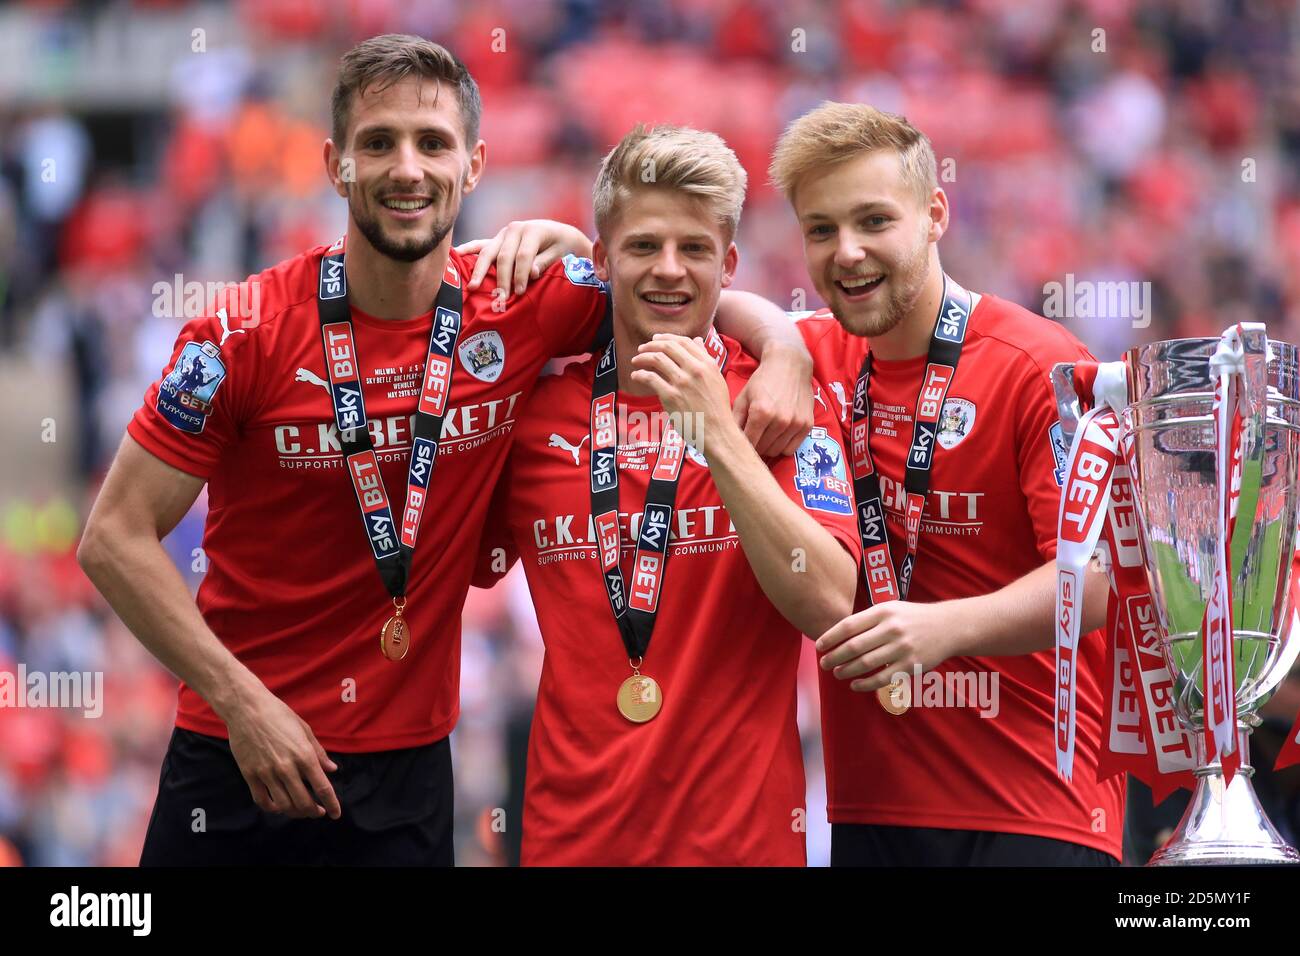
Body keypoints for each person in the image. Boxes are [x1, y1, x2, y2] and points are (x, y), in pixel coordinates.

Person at [75, 35, 812, 866]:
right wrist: (241, 703)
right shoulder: (242, 332)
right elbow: (112, 538)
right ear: (335, 164)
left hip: (405, 773)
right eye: (378, 143)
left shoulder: (521, 306)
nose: (407, 168)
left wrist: (784, 346)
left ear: (474, 166)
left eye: (433, 144)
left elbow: (674, 288)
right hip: (236, 756)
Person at [473, 125, 860, 865]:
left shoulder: (780, 404)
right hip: (569, 843)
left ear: (730, 264)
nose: (670, 272)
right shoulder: (535, 412)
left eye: (696, 249)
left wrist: (716, 434)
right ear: (603, 258)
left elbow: (832, 604)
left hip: (743, 847)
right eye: (644, 246)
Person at [760, 102, 1122, 865]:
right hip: (870, 811)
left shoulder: (1037, 364)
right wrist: (774, 338)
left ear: (935, 214)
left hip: (1035, 809)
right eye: (821, 230)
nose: (847, 252)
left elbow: (1094, 585)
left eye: (873, 222)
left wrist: (942, 627)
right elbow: (674, 287)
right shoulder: (807, 358)